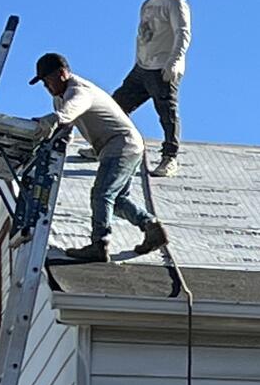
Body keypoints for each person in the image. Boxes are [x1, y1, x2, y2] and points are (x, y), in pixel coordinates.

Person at [29, 54, 169, 264]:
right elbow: (64, 129)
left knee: (102, 194)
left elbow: (70, 112)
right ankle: (152, 228)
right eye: (43, 83)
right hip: (122, 146)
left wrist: (50, 120)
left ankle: (99, 244)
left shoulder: (78, 90)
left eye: (48, 80)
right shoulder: (59, 97)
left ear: (62, 73)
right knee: (117, 200)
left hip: (121, 145)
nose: (47, 87)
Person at [111, 0, 191, 177]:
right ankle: (108, 145)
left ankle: (170, 158)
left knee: (167, 112)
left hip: (163, 69)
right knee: (115, 106)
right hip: (142, 67)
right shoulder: (147, 5)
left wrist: (174, 61)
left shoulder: (174, 2)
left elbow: (182, 33)